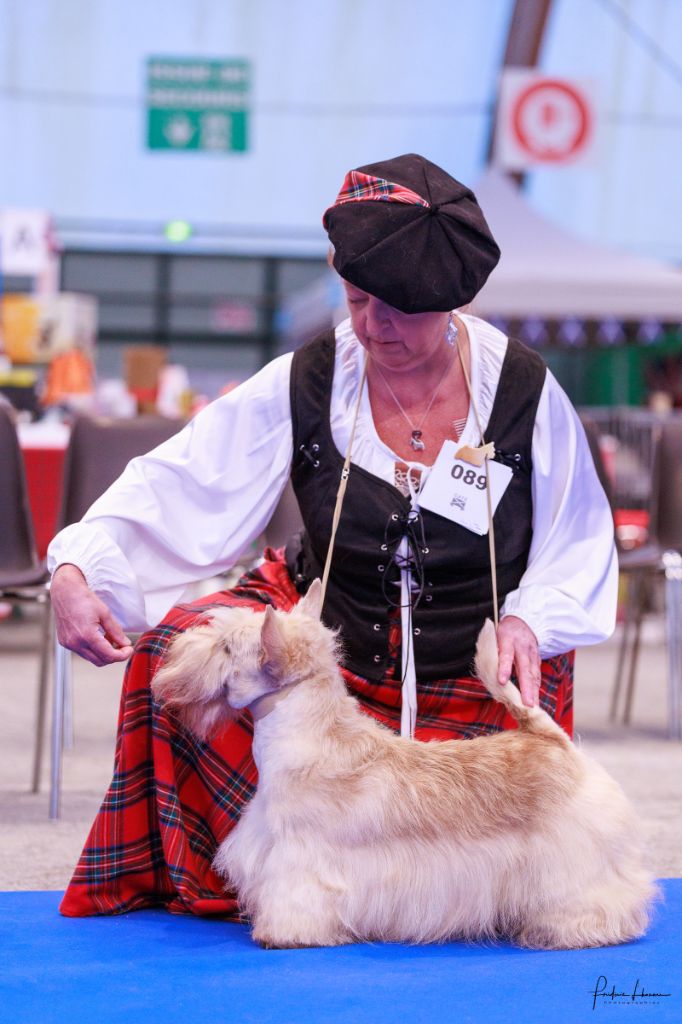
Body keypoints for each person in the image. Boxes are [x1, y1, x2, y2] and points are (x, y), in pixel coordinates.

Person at [48, 154, 617, 918]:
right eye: (357, 301)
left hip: (473, 660)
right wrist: (79, 568)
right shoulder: (308, 377)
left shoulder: (524, 391)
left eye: (402, 311)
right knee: (174, 653)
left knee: (520, 828)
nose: (374, 327)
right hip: (328, 641)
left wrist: (530, 617)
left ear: (453, 302)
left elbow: (579, 535)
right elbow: (185, 480)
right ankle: (226, 876)